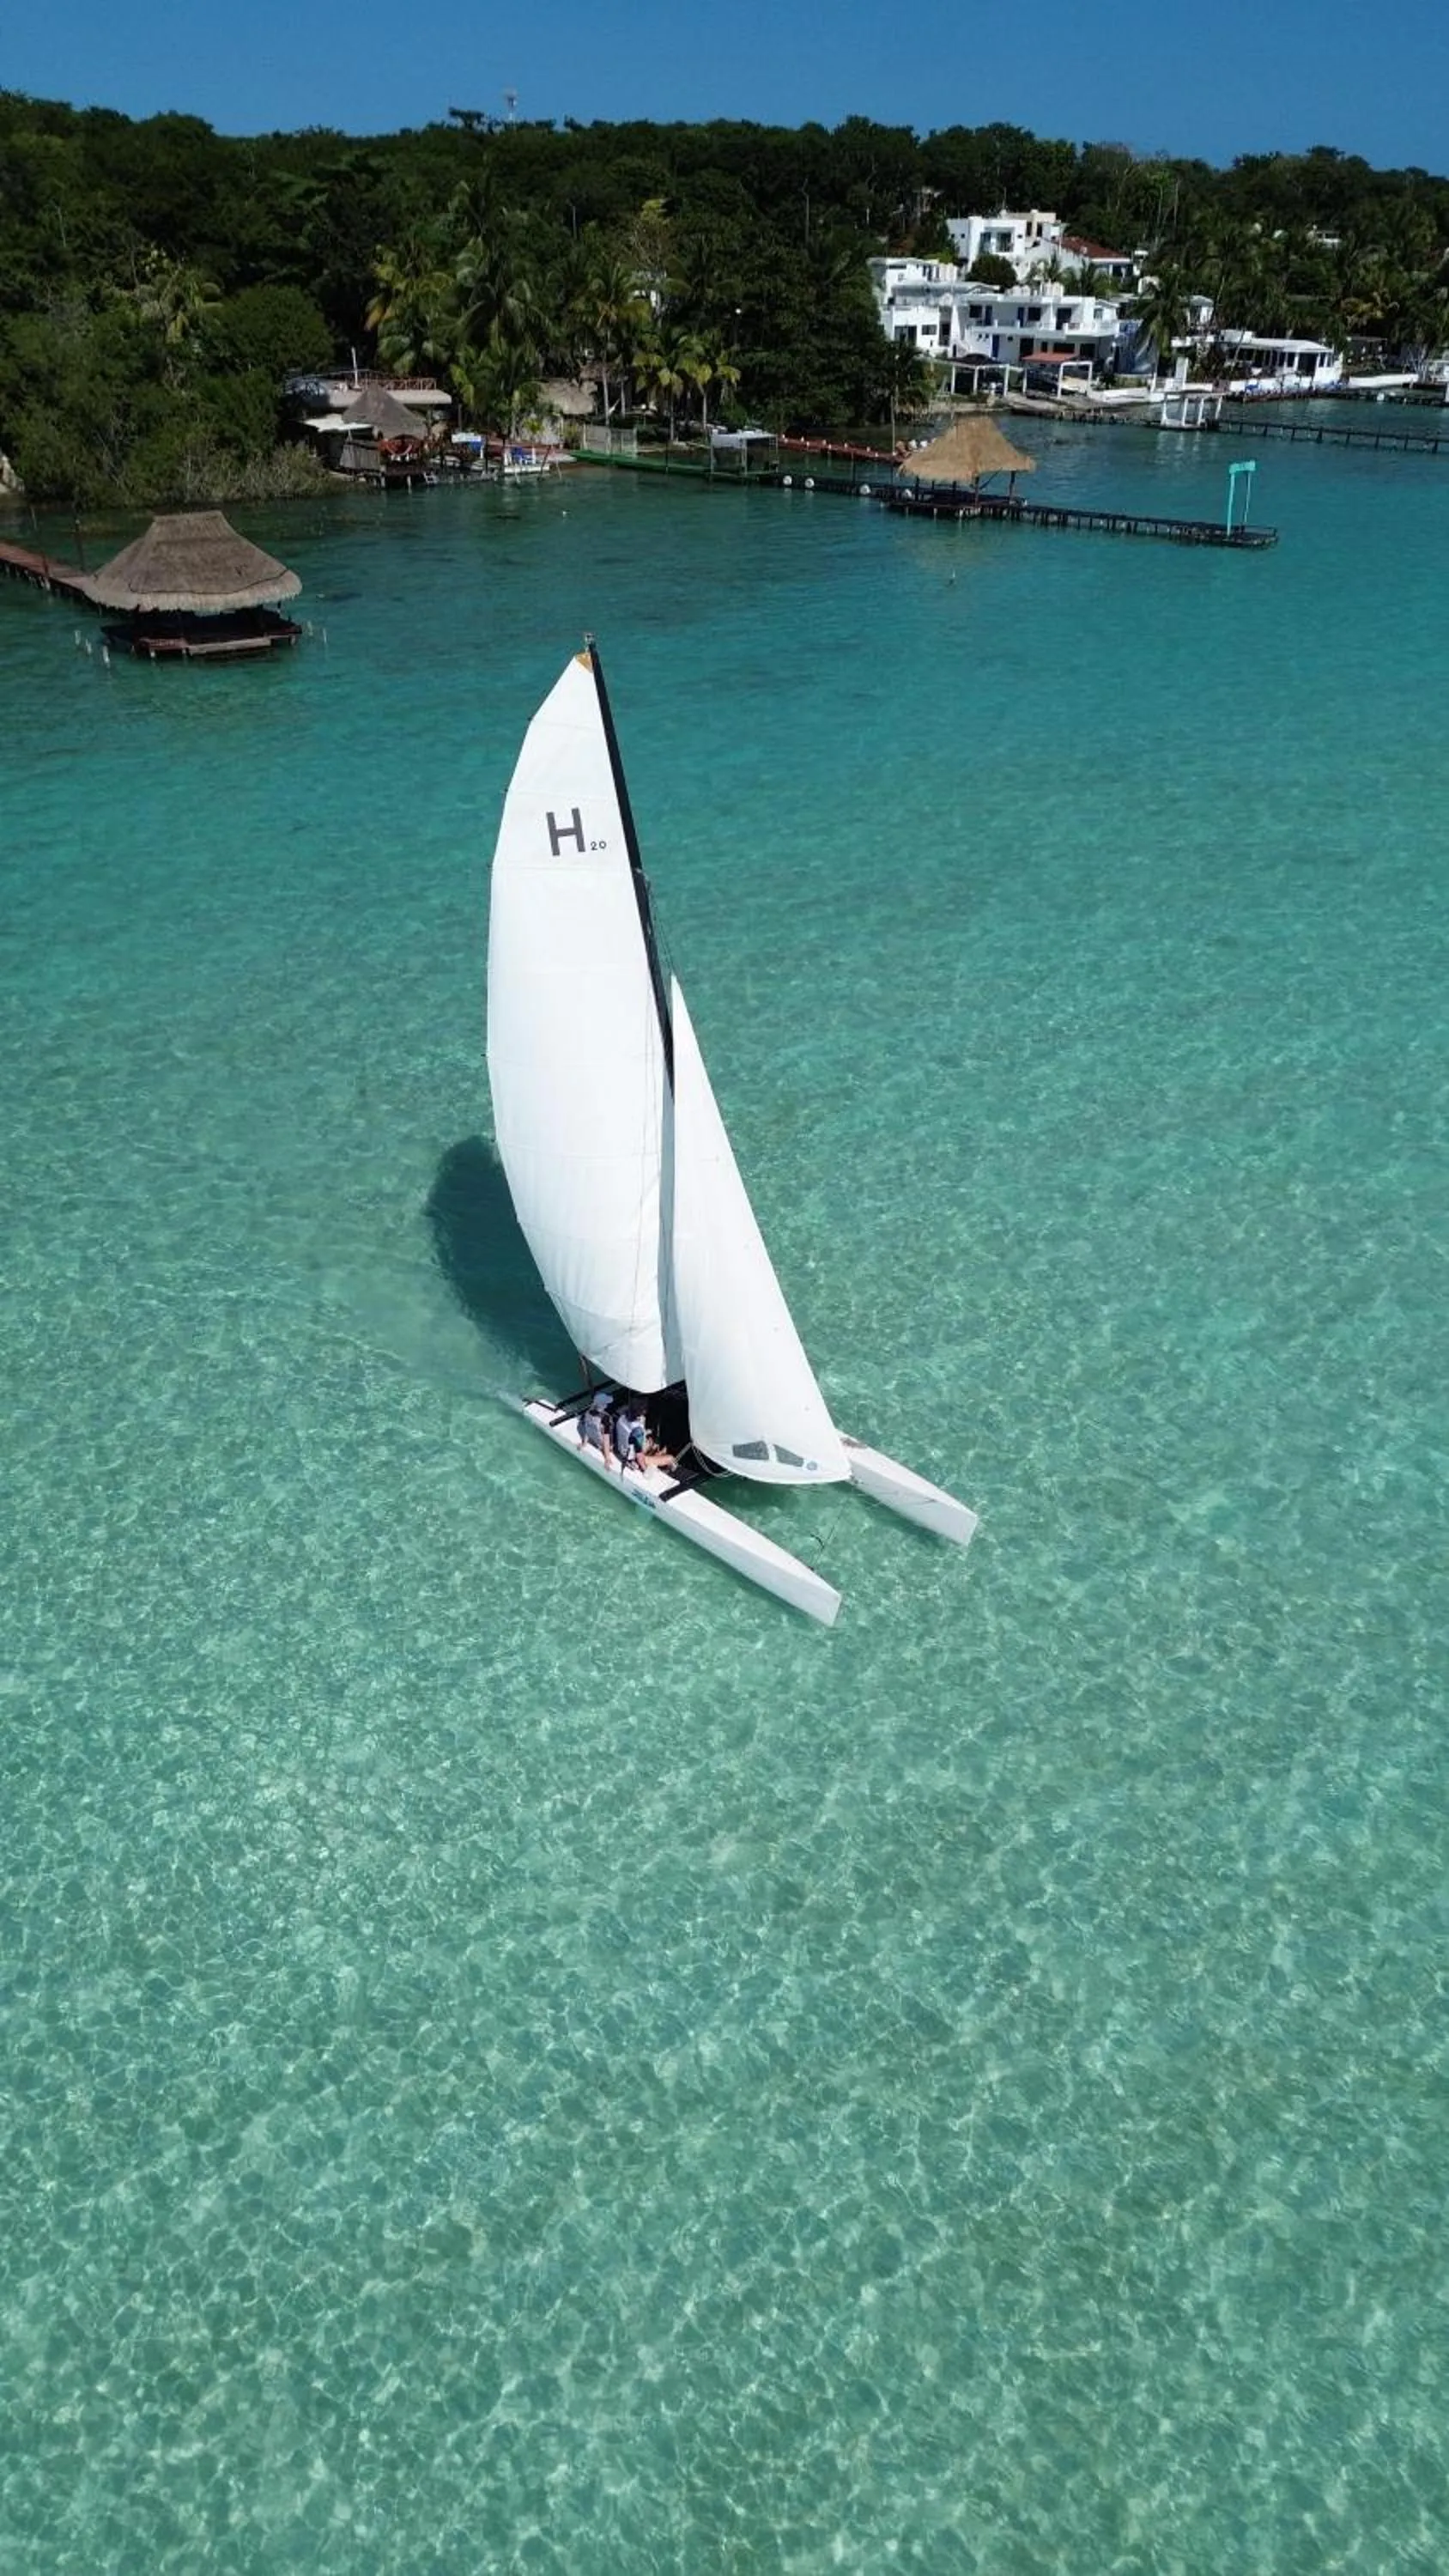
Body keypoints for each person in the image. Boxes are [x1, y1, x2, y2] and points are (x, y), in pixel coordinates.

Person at [579, 1387, 615, 1461]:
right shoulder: (606, 1418)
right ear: (604, 1405)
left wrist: (584, 1443)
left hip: (594, 1438)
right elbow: (606, 1438)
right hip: (603, 1445)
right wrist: (607, 1457)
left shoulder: (588, 1412)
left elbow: (587, 1428)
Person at [614, 1399, 648, 1473]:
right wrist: (645, 1469)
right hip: (630, 1457)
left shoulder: (621, 1418)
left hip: (620, 1449)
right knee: (669, 1458)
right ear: (643, 1412)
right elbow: (639, 1454)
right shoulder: (637, 1430)